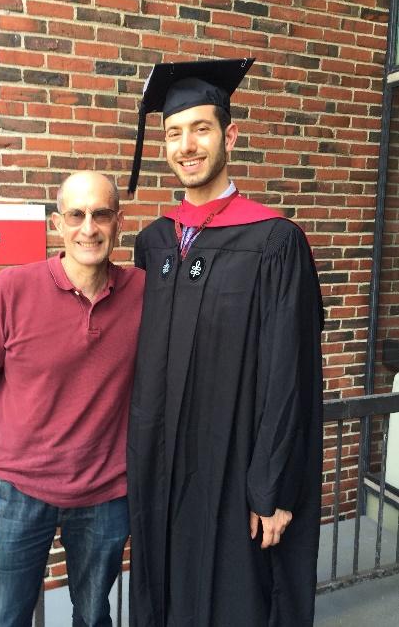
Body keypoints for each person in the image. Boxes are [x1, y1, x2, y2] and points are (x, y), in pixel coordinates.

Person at [126, 59, 324, 626]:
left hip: (236, 475)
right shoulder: (154, 243)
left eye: (201, 128)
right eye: (173, 132)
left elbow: (291, 376)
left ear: (230, 136)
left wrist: (274, 487)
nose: (186, 145)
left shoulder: (276, 242)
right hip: (160, 473)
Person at [0, 171, 145, 627]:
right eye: (76, 215)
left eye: (101, 214)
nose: (89, 228)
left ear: (118, 222)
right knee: (4, 618)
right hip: (16, 491)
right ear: (57, 224)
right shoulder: (12, 288)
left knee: (93, 615)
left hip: (105, 492)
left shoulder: (144, 292)